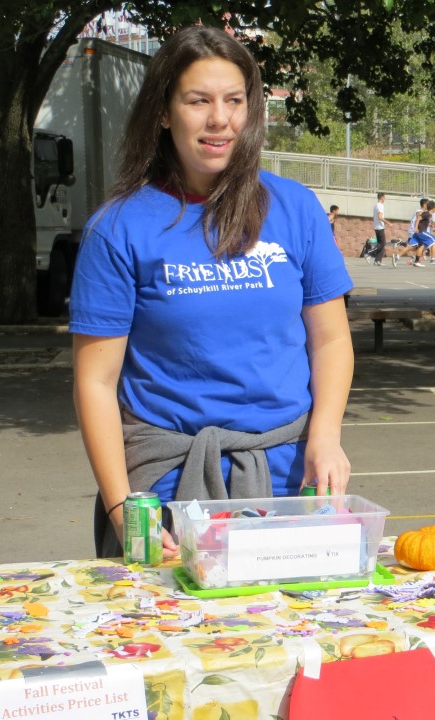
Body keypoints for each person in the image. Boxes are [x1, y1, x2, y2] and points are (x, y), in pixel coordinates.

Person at [69, 26, 355, 561]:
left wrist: (326, 437)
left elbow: (331, 341)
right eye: (198, 101)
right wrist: (124, 509)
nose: (218, 119)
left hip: (291, 477)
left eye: (233, 100)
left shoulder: (295, 209)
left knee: (289, 638)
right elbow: (95, 381)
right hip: (166, 488)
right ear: (163, 112)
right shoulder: (119, 228)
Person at [372, 192, 388, 260]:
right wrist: (388, 222)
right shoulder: (380, 206)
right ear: (381, 197)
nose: (385, 199)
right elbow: (380, 217)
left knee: (380, 244)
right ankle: (369, 253)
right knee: (382, 244)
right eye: (384, 197)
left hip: (377, 227)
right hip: (379, 227)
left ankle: (377, 260)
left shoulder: (376, 205)